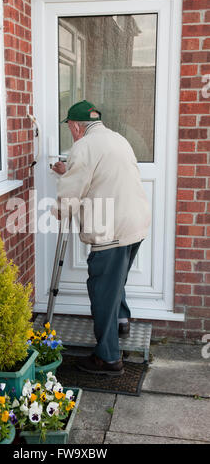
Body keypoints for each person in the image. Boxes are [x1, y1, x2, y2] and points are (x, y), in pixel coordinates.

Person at [52, 100, 151, 376]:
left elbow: (74, 187)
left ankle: (108, 358)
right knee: (116, 278)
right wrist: (69, 169)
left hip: (112, 226)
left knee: (102, 289)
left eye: (70, 129)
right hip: (136, 222)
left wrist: (60, 210)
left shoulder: (83, 146)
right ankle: (122, 320)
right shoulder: (117, 139)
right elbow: (104, 174)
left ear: (75, 126)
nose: (71, 133)